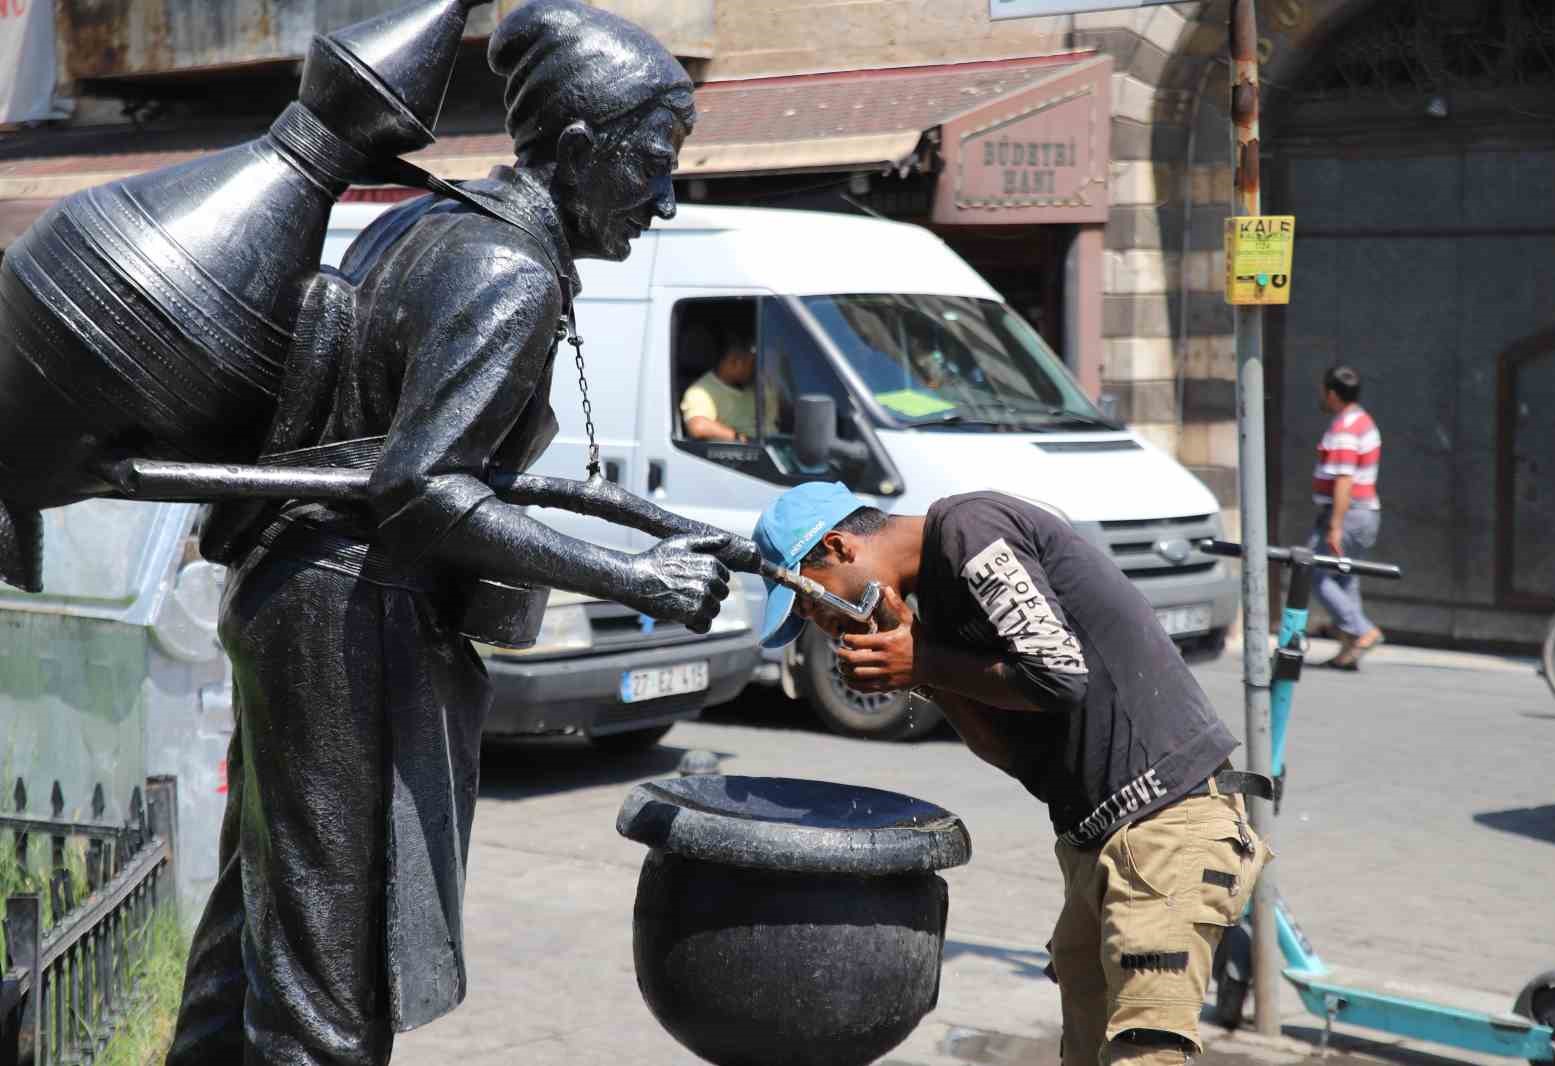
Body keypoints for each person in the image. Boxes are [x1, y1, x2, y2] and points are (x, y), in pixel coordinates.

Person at [166, 5, 736, 1065]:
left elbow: (412, 445)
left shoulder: (423, 227)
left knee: (261, 928)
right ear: (576, 149)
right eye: (651, 163)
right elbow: (423, 489)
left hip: (294, 594)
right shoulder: (508, 276)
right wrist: (635, 577)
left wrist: (623, 512)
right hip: (354, 617)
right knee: (330, 976)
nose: (664, 198)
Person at [750, 482, 1272, 1066]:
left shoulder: (970, 529)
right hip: (1101, 842)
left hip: (1166, 825)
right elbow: (1011, 754)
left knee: (1145, 1056)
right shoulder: (940, 604)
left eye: (811, 600)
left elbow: (1060, 675)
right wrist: (922, 671)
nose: (822, 624)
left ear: (840, 547)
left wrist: (927, 658)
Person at [1310, 365, 1383, 670]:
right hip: (1365, 513)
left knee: (1315, 571)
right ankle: (1349, 651)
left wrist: (1336, 526)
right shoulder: (1363, 422)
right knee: (1345, 577)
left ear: (1331, 393)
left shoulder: (1345, 429)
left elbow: (1344, 481)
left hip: (1349, 514)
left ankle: (1362, 629)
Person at [681, 329, 767, 442]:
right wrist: (741, 439)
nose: (754, 368)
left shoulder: (755, 384)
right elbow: (698, 427)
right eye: (751, 363)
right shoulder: (701, 391)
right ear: (735, 362)